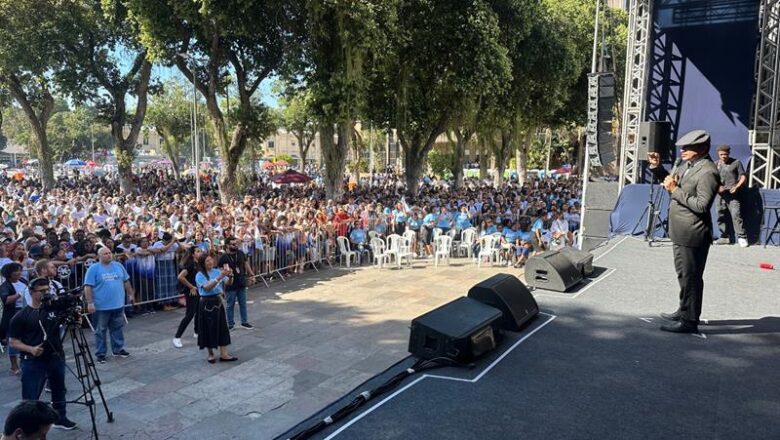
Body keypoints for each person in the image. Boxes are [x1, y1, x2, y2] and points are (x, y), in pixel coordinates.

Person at [648, 129, 720, 334]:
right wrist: (657, 167)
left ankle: (689, 321)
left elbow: (701, 205)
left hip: (693, 232)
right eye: (682, 147)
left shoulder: (708, 172)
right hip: (680, 230)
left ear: (702, 149)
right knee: (684, 275)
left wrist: (674, 191)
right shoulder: (686, 165)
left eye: (688, 148)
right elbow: (670, 181)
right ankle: (684, 309)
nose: (683, 151)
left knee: (692, 277)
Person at [8, 278, 78, 430]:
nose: (47, 293)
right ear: (32, 293)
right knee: (30, 398)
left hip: (56, 357)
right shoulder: (21, 316)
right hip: (33, 361)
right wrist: (31, 349)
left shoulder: (53, 310)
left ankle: (60, 418)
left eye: (48, 290)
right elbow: (13, 342)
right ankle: (28, 426)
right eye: (42, 291)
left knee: (59, 389)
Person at [84, 247, 134, 363]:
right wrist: (90, 303)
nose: (109, 255)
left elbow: (126, 281)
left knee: (117, 328)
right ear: (99, 256)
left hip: (118, 304)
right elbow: (88, 287)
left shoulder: (118, 266)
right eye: (105, 254)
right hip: (101, 306)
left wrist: (130, 294)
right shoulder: (93, 268)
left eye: (110, 253)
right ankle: (100, 353)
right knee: (100, 330)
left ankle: (118, 349)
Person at [195, 253, 237, 363]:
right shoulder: (200, 275)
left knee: (222, 326)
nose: (210, 262)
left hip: (217, 300)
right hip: (206, 302)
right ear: (202, 263)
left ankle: (224, 353)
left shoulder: (217, 271)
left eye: (211, 260)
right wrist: (220, 276)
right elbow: (207, 287)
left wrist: (231, 275)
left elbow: (228, 282)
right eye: (207, 261)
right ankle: (210, 354)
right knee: (208, 328)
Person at [714, 144, 748, 247]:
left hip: (733, 194)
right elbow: (712, 178)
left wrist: (737, 186)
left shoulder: (736, 162)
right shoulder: (715, 164)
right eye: (721, 154)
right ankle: (724, 237)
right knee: (720, 214)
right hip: (720, 194)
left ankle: (742, 237)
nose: (724, 156)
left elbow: (743, 176)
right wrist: (717, 187)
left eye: (725, 154)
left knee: (736, 214)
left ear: (729, 153)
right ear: (718, 154)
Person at [218, 237, 255, 331]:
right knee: (230, 305)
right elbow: (220, 270)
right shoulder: (223, 257)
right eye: (233, 244)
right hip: (230, 285)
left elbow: (246, 264)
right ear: (227, 246)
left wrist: (251, 274)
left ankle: (244, 322)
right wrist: (226, 276)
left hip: (241, 282)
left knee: (243, 303)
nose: (235, 246)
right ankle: (230, 324)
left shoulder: (241, 253)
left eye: (236, 244)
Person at [172, 246, 203, 348]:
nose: (200, 253)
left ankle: (197, 332)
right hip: (191, 292)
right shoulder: (190, 264)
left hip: (198, 291)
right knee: (189, 315)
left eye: (200, 251)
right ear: (193, 254)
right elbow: (180, 277)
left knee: (199, 312)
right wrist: (191, 287)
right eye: (198, 251)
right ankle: (177, 337)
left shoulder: (198, 264)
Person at [1, 262, 28, 375]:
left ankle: (24, 361)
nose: (19, 272)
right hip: (13, 313)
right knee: (13, 339)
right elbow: (6, 300)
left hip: (26, 310)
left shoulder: (23, 281)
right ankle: (13, 365)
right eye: (16, 270)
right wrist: (19, 295)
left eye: (20, 270)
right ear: (9, 273)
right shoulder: (5, 286)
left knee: (26, 337)